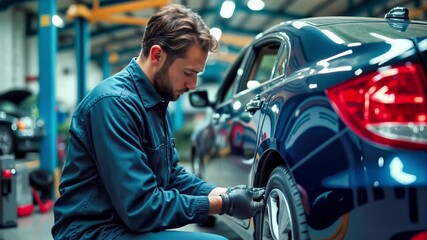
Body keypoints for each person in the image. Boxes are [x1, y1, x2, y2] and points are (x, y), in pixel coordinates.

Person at [52, 4, 264, 240]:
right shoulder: (114, 104)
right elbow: (140, 208)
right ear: (156, 55)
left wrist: (225, 193)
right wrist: (222, 204)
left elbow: (172, 176)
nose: (193, 85)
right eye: (188, 73)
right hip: (92, 231)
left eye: (197, 74)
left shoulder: (156, 102)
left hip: (123, 225)